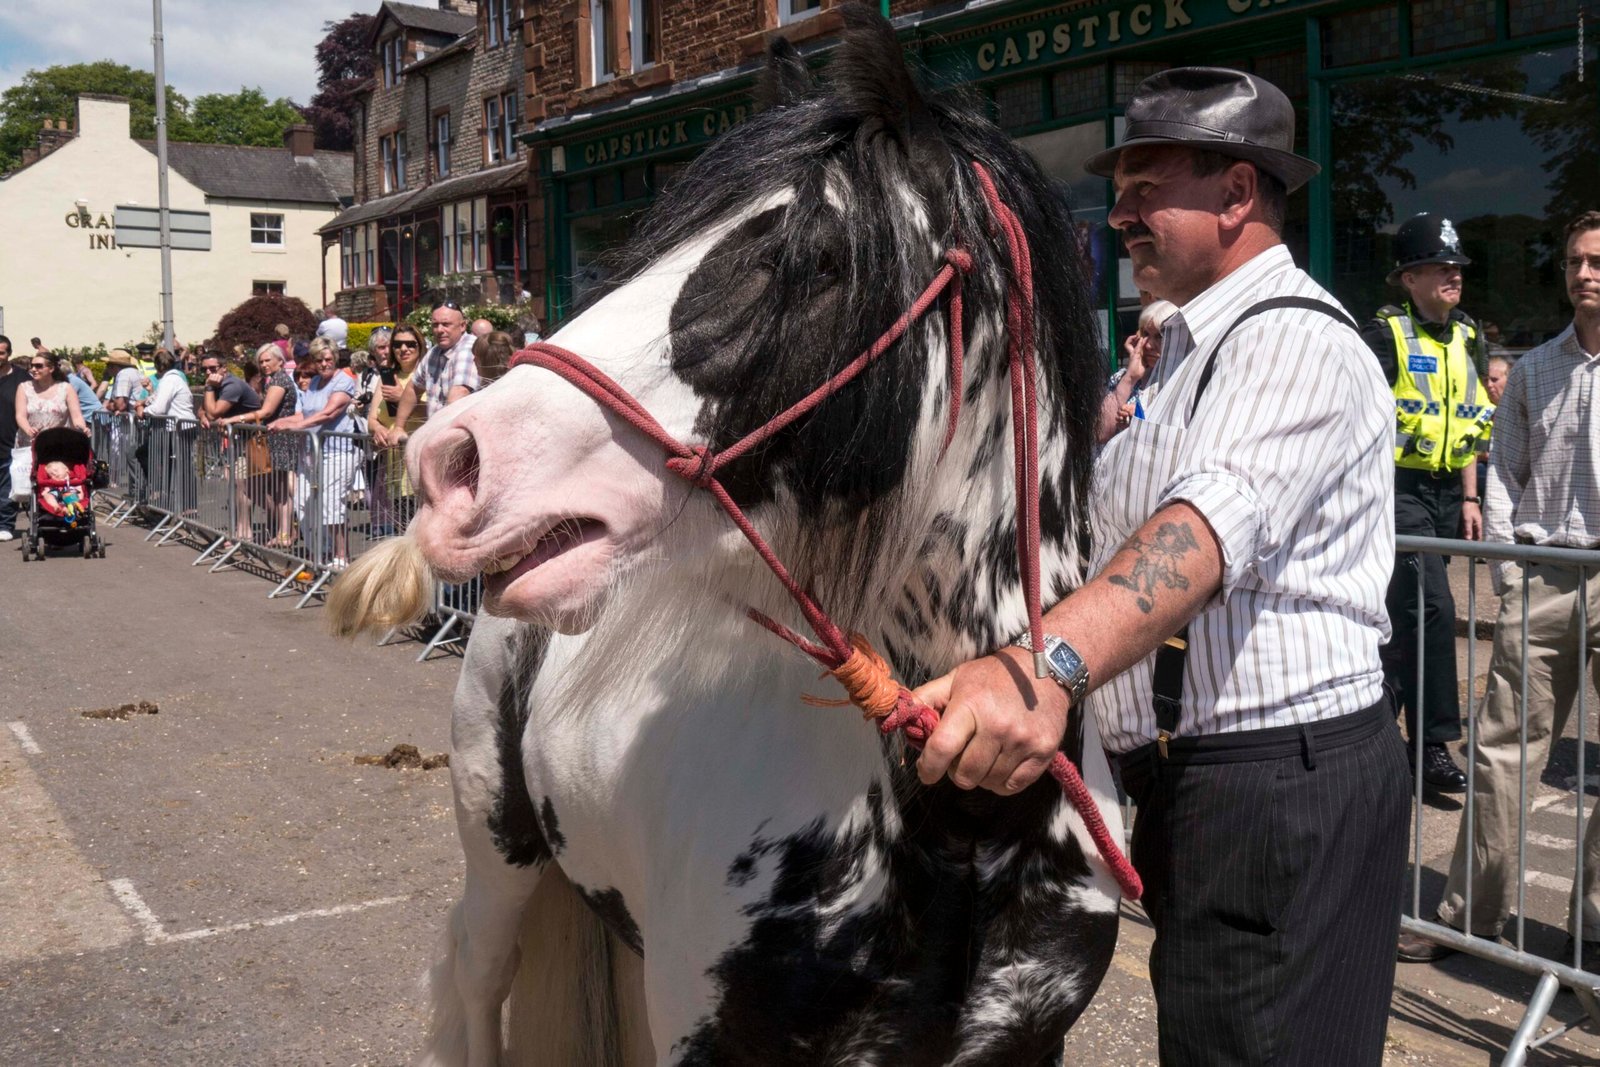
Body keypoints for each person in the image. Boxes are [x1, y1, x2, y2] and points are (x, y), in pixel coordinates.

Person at [911, 67, 1405, 1063]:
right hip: (1203, 787)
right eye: (1121, 190)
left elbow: (1196, 537)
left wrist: (1037, 670)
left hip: (1275, 787)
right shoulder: (1179, 350)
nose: (1122, 215)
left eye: (1148, 189)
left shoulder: (1294, 343)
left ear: (1235, 194)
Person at [1400, 211, 1600, 965]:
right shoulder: (1537, 369)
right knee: (1501, 753)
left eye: (1597, 261)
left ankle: (1595, 923)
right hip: (1546, 576)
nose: (1585, 273)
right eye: (1576, 261)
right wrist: (1515, 575)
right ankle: (1470, 916)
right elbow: (1505, 476)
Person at [1361, 212, 1493, 793]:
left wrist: (1470, 496)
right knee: (1433, 609)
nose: (1452, 275)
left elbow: (1468, 417)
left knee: (1404, 615)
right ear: (1407, 279)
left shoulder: (1469, 334)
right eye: (1438, 267)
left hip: (1447, 492)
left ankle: (1374, 731)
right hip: (1396, 490)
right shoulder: (1384, 333)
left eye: (1456, 267)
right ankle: (1433, 744)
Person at [275, 343, 358, 569]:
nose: (323, 364)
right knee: (303, 503)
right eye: (319, 360)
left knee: (331, 505)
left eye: (328, 359)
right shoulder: (312, 383)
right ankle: (318, 553)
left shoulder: (343, 382)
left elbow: (329, 412)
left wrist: (298, 426)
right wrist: (284, 422)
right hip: (311, 453)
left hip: (336, 452)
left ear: (336, 358)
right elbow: (306, 413)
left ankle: (342, 555)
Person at [386, 302, 480, 439]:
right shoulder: (434, 352)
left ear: (463, 326)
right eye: (435, 325)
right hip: (440, 436)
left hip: (461, 441)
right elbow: (413, 388)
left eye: (446, 324)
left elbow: (459, 394)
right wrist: (399, 427)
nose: (439, 330)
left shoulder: (469, 349)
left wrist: (436, 438)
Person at [368, 324, 425, 535]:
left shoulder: (425, 376)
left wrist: (404, 399)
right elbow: (372, 418)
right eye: (398, 344)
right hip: (394, 468)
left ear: (420, 347)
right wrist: (378, 429)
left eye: (411, 344)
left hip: (420, 467)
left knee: (420, 533)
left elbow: (438, 412)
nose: (404, 349)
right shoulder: (387, 377)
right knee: (403, 530)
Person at [1097, 300, 1177, 444]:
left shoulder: (1179, 379)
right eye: (1146, 334)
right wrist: (1130, 378)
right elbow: (1101, 432)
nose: (1148, 345)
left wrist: (1141, 421)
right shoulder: (1123, 377)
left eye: (1159, 336)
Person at [15, 351, 88, 446]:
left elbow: (77, 416)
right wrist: (28, 429)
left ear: (51, 368)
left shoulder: (66, 388)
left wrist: (82, 429)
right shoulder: (24, 387)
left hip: (56, 444)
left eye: (38, 366)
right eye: (32, 366)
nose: (33, 369)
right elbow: (20, 416)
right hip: (29, 444)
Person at [0, 340, 28, 539]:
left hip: (10, 440)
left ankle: (5, 525)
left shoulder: (21, 378)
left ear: (9, 354)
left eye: (1, 353)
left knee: (7, 485)